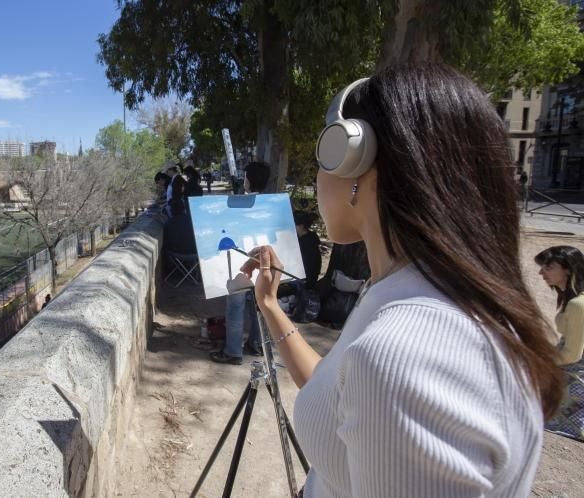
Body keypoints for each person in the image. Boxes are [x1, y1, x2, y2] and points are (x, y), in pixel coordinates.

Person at [240, 64, 562, 497]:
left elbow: (382, 376)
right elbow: (338, 391)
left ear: (352, 158)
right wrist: (271, 305)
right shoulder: (419, 293)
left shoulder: (406, 353)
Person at [210, 161, 271, 364]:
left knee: (235, 307)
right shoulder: (271, 204)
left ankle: (233, 352)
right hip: (264, 263)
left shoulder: (238, 204)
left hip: (242, 263)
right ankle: (256, 344)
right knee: (259, 306)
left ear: (248, 179)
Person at [535, 245, 584, 441]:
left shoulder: (577, 304)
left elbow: (572, 354)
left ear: (567, 269)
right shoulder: (572, 299)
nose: (541, 272)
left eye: (548, 267)